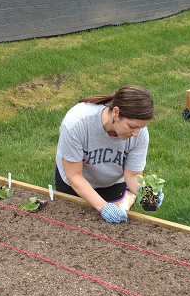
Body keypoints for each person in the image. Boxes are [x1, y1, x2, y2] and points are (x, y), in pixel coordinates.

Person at [54, 85, 162, 224]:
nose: (136, 134)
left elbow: (132, 175)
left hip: (111, 184)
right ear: (116, 113)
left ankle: (128, 197)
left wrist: (148, 195)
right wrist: (103, 206)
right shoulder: (77, 122)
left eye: (141, 128)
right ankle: (127, 198)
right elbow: (74, 175)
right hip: (74, 185)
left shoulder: (139, 134)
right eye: (132, 127)